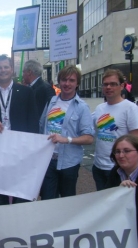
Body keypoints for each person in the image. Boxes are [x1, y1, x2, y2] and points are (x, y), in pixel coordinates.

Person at [0, 54, 39, 205]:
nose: (2, 70)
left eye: (6, 67)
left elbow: (33, 123)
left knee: (21, 189)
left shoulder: (26, 92)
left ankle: (18, 222)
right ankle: (1, 221)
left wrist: (32, 148)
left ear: (12, 69)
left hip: (20, 149)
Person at [39, 65, 94, 200]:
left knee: (67, 201)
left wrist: (67, 139)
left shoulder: (82, 107)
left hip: (69, 163)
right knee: (47, 199)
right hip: (49, 160)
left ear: (77, 84)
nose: (67, 84)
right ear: (59, 82)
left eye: (71, 80)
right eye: (64, 80)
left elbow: (89, 138)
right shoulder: (52, 101)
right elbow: (42, 126)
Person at [92, 69, 138, 191]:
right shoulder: (99, 108)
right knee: (103, 203)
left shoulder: (130, 108)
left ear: (122, 86)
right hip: (98, 166)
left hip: (118, 168)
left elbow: (136, 140)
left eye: (113, 84)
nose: (108, 87)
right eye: (105, 84)